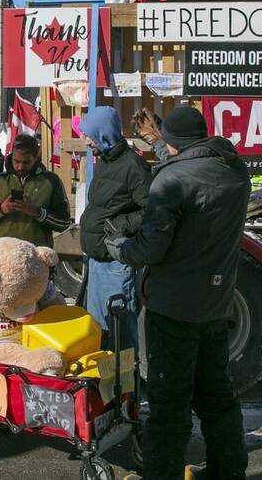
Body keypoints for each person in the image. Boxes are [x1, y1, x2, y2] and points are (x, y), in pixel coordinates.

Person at [108, 105, 251, 480]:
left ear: (174, 144)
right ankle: (227, 471)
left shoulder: (170, 181)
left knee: (168, 403)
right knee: (216, 396)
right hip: (215, 304)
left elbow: (152, 247)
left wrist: (121, 249)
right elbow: (192, 170)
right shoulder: (235, 170)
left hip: (173, 306)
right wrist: (163, 143)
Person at [78, 107, 150, 353]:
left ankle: (127, 376)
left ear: (104, 134)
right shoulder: (105, 162)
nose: (86, 141)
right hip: (98, 261)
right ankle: (105, 375)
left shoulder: (133, 166)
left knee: (120, 329)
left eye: (90, 136)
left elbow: (151, 210)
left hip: (116, 264)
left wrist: (120, 225)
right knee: (100, 328)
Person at [0, 134, 71, 248]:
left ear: (36, 158)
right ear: (12, 156)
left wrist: (37, 212)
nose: (20, 167)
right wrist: (0, 209)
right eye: (16, 161)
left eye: (26, 162)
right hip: (2, 251)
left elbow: (64, 223)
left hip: (36, 252)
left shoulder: (51, 181)